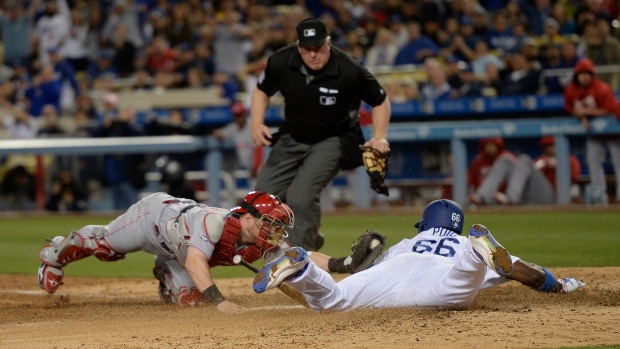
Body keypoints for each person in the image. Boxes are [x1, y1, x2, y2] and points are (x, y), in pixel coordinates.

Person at [253, 199, 586, 311]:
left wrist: (327, 261)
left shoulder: (407, 242)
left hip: (398, 265)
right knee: (458, 285)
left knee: (334, 299)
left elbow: (361, 273)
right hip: (446, 270)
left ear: (425, 224)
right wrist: (556, 285)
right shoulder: (455, 242)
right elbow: (519, 270)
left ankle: (302, 269)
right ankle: (476, 252)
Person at [250, 18, 391, 251]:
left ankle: (298, 257)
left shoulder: (349, 68)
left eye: (318, 47)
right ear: (298, 47)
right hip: (293, 136)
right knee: (263, 196)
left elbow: (380, 100)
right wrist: (256, 124)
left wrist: (380, 135)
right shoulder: (281, 61)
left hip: (333, 139)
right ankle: (311, 237)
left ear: (328, 43)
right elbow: (261, 91)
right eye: (307, 49)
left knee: (300, 196)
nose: (313, 54)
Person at [38, 191, 294, 313]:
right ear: (250, 218)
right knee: (103, 248)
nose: (273, 230)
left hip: (175, 250)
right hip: (151, 221)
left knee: (191, 300)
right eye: (269, 222)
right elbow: (196, 261)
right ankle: (53, 255)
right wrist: (221, 301)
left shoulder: (254, 237)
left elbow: (298, 256)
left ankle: (166, 268)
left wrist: (336, 265)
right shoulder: (216, 222)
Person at [564, 58, 620, 204]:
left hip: (613, 130)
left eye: (587, 73)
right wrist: (581, 116)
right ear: (576, 75)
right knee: (593, 162)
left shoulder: (602, 88)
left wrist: (585, 111)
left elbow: (610, 110)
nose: (584, 76)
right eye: (581, 73)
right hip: (594, 133)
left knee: (618, 163)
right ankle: (600, 197)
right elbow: (571, 108)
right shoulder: (571, 90)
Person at [468, 137, 517, 205]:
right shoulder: (477, 162)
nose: (490, 147)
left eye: (492, 144)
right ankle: (481, 197)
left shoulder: (507, 158)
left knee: (505, 160)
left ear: (497, 145)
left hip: (504, 196)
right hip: (486, 198)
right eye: (487, 144)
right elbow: (472, 182)